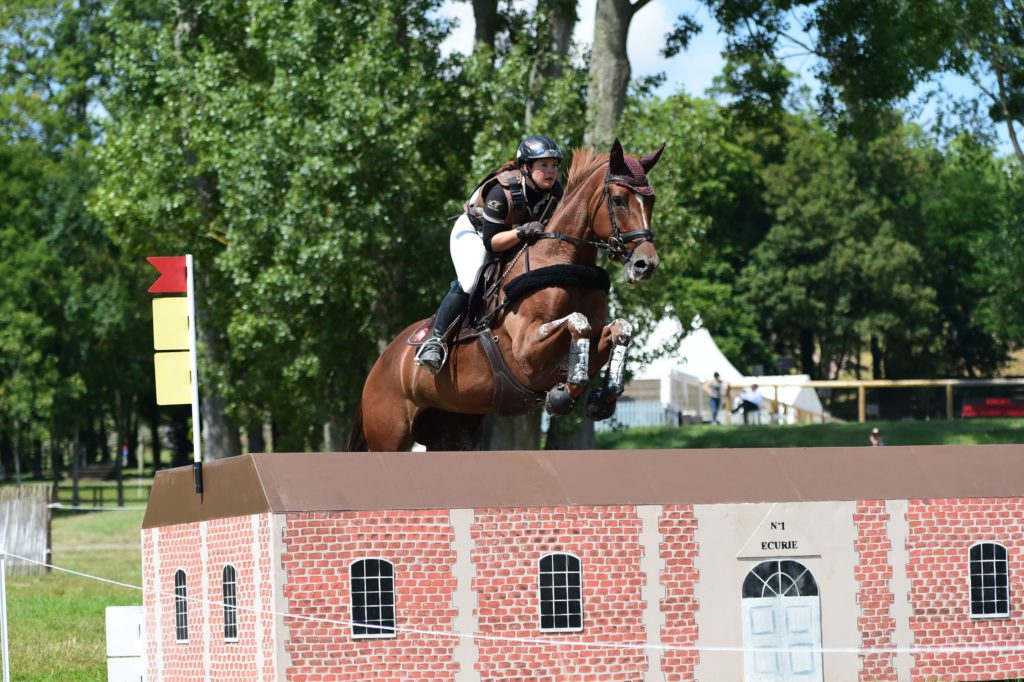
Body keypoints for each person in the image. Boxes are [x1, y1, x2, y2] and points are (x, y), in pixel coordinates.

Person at [414, 135, 564, 373]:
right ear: (526, 167)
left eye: (554, 165)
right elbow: (492, 244)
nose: (551, 171)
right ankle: (435, 340)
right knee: (472, 280)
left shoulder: (555, 191)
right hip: (475, 234)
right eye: (543, 165)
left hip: (512, 235)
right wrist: (523, 231)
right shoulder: (501, 192)